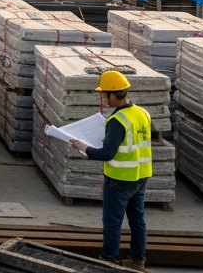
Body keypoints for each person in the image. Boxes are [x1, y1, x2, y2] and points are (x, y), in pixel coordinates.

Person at [70, 70, 151, 270]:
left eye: (104, 94)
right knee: (138, 221)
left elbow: (107, 154)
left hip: (119, 179)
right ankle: (137, 262)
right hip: (140, 176)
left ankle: (108, 261)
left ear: (114, 94)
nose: (103, 99)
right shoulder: (142, 113)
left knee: (112, 223)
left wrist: (84, 148)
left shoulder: (117, 121)